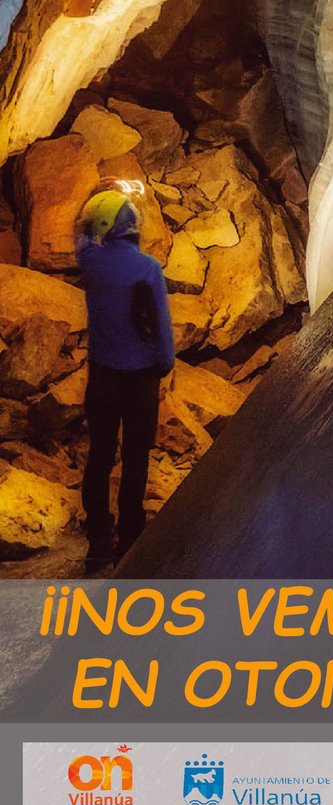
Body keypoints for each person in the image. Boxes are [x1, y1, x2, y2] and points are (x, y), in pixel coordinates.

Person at [76, 185, 174, 572]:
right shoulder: (146, 268)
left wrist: (93, 209)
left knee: (99, 457)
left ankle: (99, 538)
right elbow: (162, 330)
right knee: (135, 459)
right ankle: (132, 539)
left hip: (102, 376)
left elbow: (81, 234)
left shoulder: (89, 259)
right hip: (139, 379)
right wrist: (165, 365)